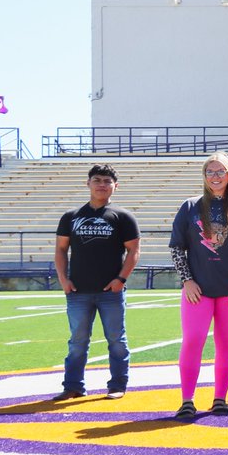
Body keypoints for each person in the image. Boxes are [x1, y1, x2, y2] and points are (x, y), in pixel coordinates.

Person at [168, 153, 228, 419]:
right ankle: (187, 399)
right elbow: (176, 248)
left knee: (226, 343)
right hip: (199, 290)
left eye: (221, 171)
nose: (215, 176)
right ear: (204, 176)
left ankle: (220, 397)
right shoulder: (190, 207)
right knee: (193, 340)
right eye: (210, 171)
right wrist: (187, 280)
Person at [51, 164, 140, 401]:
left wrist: (121, 279)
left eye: (107, 181)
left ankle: (117, 385)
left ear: (115, 186)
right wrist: (63, 279)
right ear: (88, 183)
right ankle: (73, 386)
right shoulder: (71, 217)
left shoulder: (123, 217)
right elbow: (60, 250)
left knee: (116, 340)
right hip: (78, 291)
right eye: (97, 180)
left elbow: (134, 252)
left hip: (111, 291)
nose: (102, 184)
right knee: (77, 341)